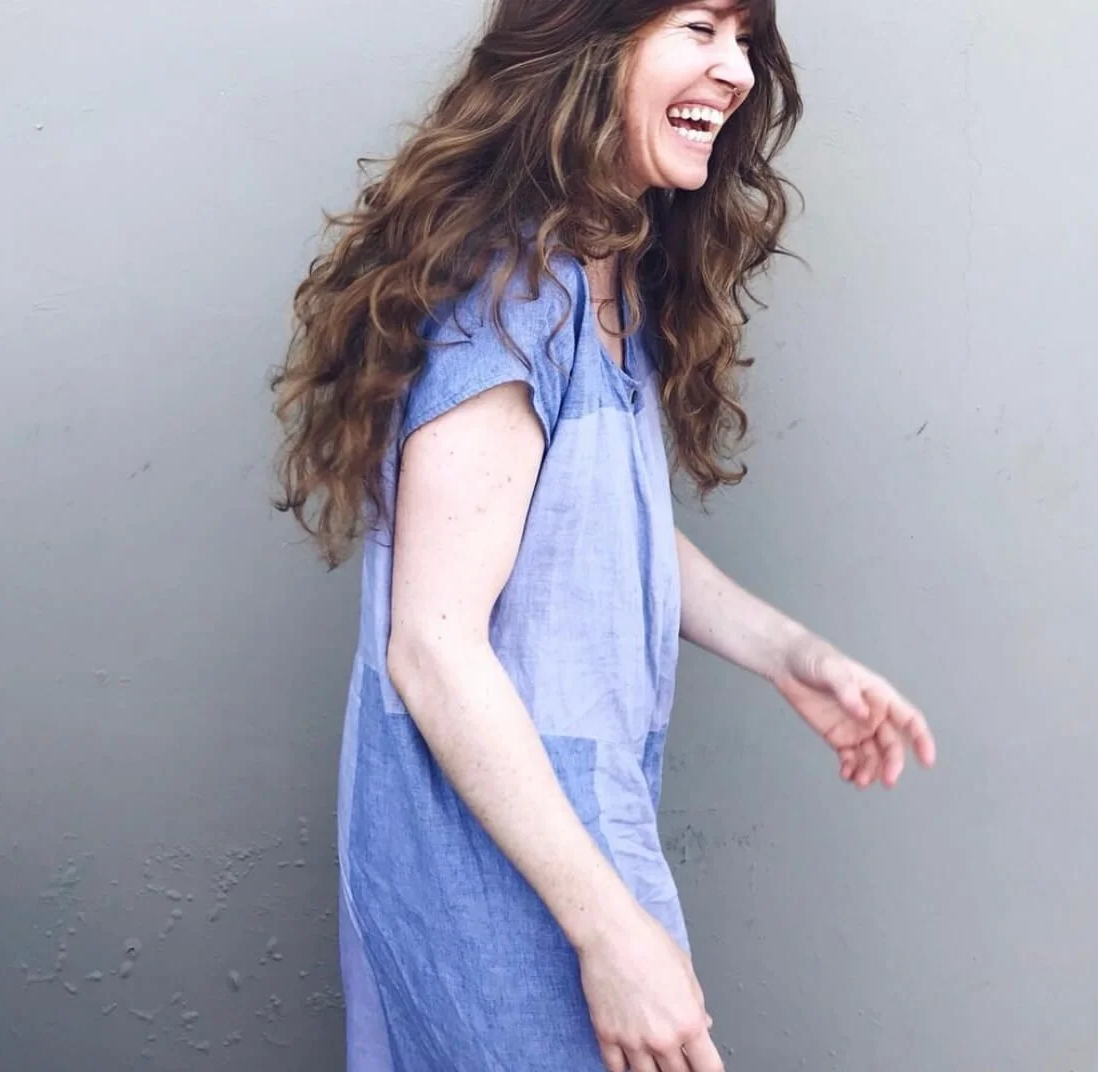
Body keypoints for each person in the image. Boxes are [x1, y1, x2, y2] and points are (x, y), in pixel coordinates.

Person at [270, 1, 938, 1069]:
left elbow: (586, 537)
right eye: (701, 27)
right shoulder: (511, 292)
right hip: (496, 866)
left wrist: (791, 655)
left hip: (566, 828)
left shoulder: (602, 267)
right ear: (589, 42)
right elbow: (433, 646)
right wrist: (610, 929)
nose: (735, 71)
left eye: (746, 41)